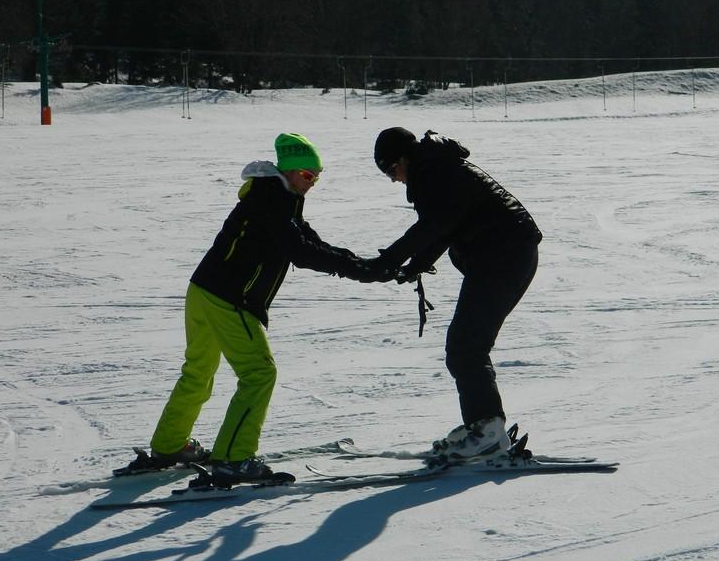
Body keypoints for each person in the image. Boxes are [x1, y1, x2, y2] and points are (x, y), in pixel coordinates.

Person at [129, 133, 369, 485]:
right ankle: (234, 458)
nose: (312, 183)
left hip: (203, 289)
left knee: (198, 371)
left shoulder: (274, 196)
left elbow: (307, 240)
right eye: (307, 175)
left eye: (317, 176)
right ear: (287, 171)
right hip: (230, 297)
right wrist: (359, 270)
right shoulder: (273, 200)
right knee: (259, 373)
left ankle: (169, 445)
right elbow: (300, 252)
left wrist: (358, 263)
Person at [362, 127, 543, 460]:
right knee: (465, 345)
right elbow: (444, 226)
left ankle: (487, 430)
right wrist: (416, 264)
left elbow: (435, 225)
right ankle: (484, 426)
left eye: (390, 170)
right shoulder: (435, 167)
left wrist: (386, 261)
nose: (393, 179)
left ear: (403, 157)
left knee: (465, 346)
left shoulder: (433, 171)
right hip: (504, 256)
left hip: (504, 257)